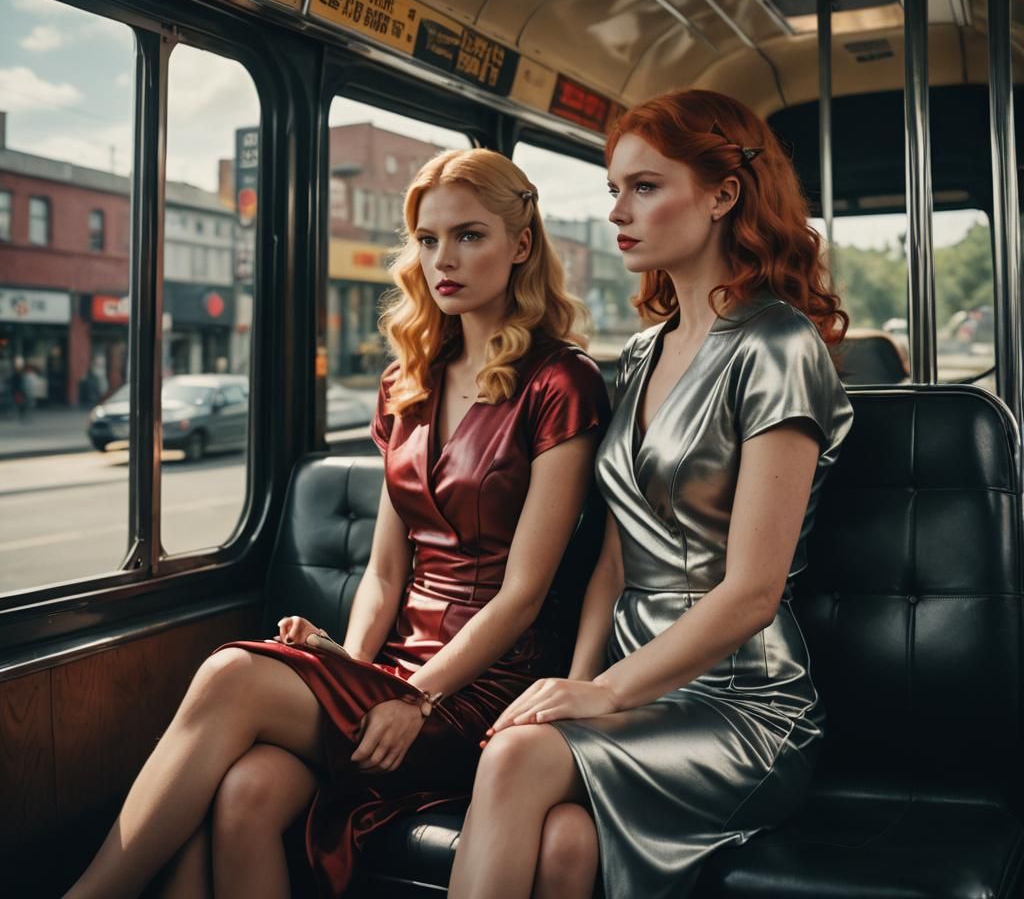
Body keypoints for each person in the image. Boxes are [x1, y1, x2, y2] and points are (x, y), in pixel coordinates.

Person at [65, 148, 609, 899]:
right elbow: (386, 573)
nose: (442, 259)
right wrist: (346, 673)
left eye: (469, 236)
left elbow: (522, 592)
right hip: (390, 673)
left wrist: (417, 696)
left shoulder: (562, 381)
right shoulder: (407, 380)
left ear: (521, 245)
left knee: (230, 673)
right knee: (246, 789)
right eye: (427, 238)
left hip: (486, 690)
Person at [448, 90, 854, 899]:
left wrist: (598, 695)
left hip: (743, 703)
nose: (617, 212)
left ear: (721, 194)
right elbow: (613, 559)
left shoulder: (779, 345)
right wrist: (576, 683)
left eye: (644, 187)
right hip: (636, 691)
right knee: (563, 842)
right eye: (613, 190)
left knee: (516, 754)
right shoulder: (636, 357)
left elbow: (752, 592)